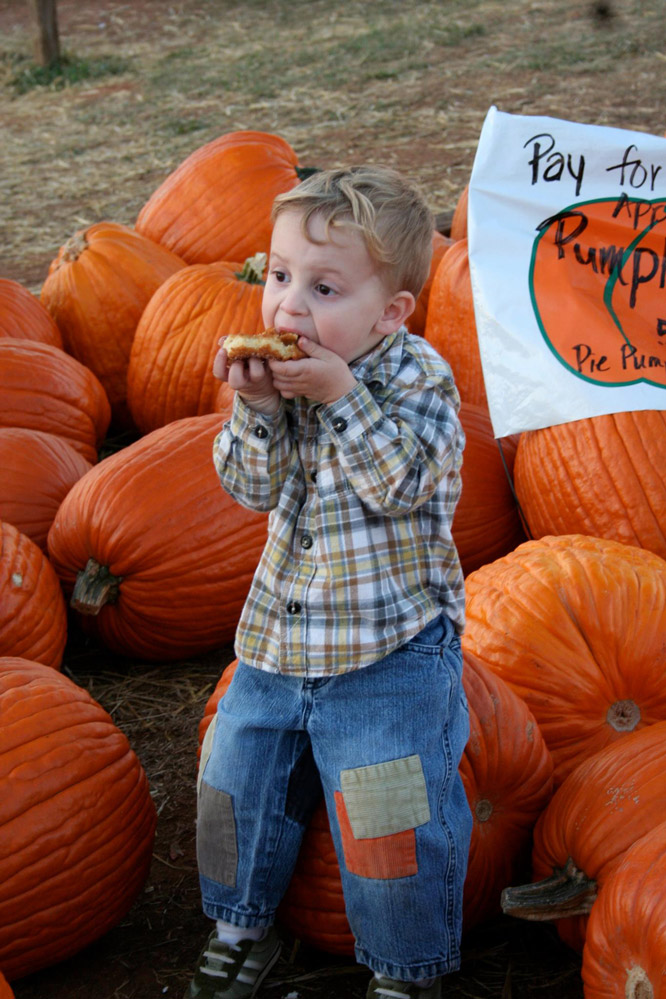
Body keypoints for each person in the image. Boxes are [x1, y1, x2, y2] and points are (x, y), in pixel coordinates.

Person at [186, 165, 472, 999]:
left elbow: (405, 485)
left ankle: (403, 966)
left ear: (390, 313)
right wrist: (257, 410)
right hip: (279, 639)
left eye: (323, 286)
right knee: (229, 779)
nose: (288, 307)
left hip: (386, 656)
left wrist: (342, 397)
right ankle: (237, 921)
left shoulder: (418, 379)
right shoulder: (280, 374)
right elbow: (250, 488)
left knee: (389, 820)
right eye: (278, 277)